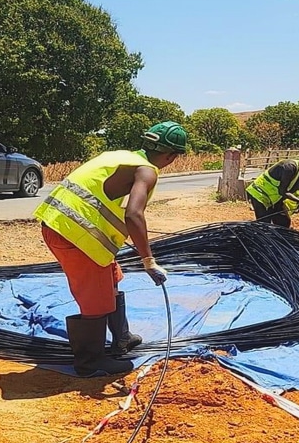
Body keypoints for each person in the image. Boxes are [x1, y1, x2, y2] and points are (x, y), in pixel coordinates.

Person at [33, 121, 188, 377]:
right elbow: (134, 214)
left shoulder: (118, 156)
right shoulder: (147, 171)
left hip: (61, 224)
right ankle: (90, 362)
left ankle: (122, 338)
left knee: (111, 278)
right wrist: (148, 260)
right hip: (73, 235)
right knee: (96, 299)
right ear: (171, 156)